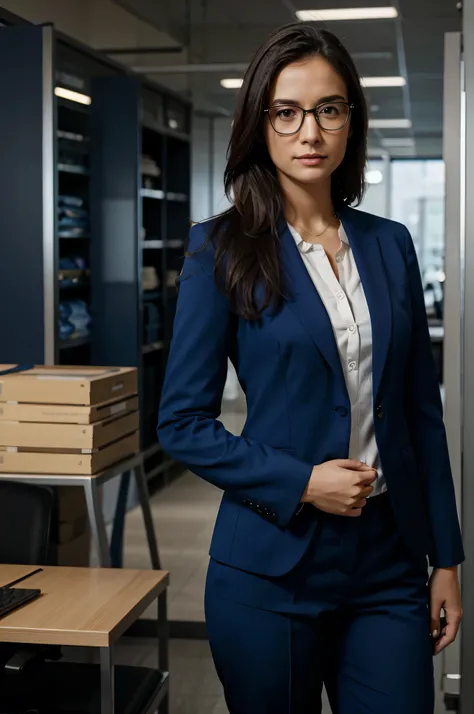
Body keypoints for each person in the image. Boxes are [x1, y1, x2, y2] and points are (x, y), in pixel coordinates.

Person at [157, 22, 464, 714]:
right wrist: (302, 483)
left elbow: (420, 412)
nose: (310, 132)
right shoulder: (221, 250)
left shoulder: (390, 245)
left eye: (329, 109)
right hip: (270, 565)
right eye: (287, 111)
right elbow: (181, 424)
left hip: (388, 562)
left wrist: (445, 558)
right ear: (260, 123)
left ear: (350, 119)